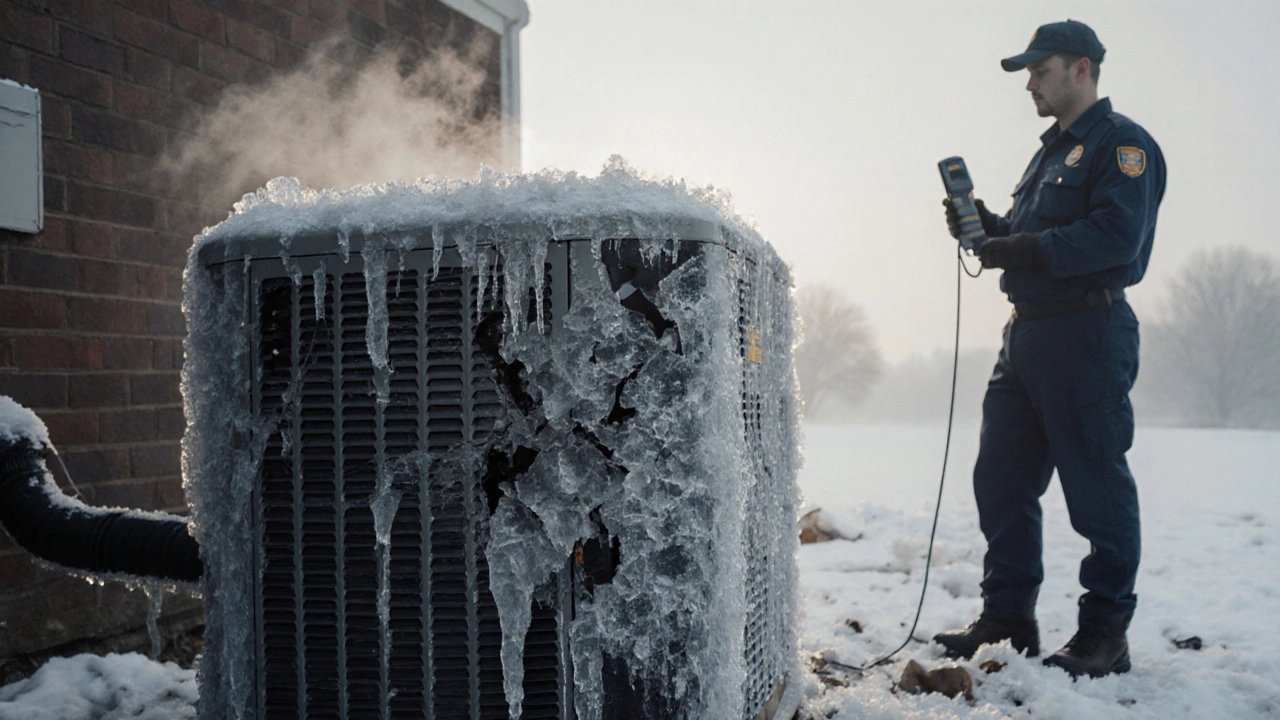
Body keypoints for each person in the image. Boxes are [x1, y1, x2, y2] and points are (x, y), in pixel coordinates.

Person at [933, 19, 1166, 678]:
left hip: (1086, 334)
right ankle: (1008, 618)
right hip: (1027, 335)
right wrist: (988, 226)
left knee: (1095, 485)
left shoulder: (1122, 146)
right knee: (1000, 479)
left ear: (1082, 69)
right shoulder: (1049, 153)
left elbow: (1116, 239)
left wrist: (1026, 247)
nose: (1030, 82)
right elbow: (1035, 239)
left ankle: (1104, 634)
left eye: (1040, 69)